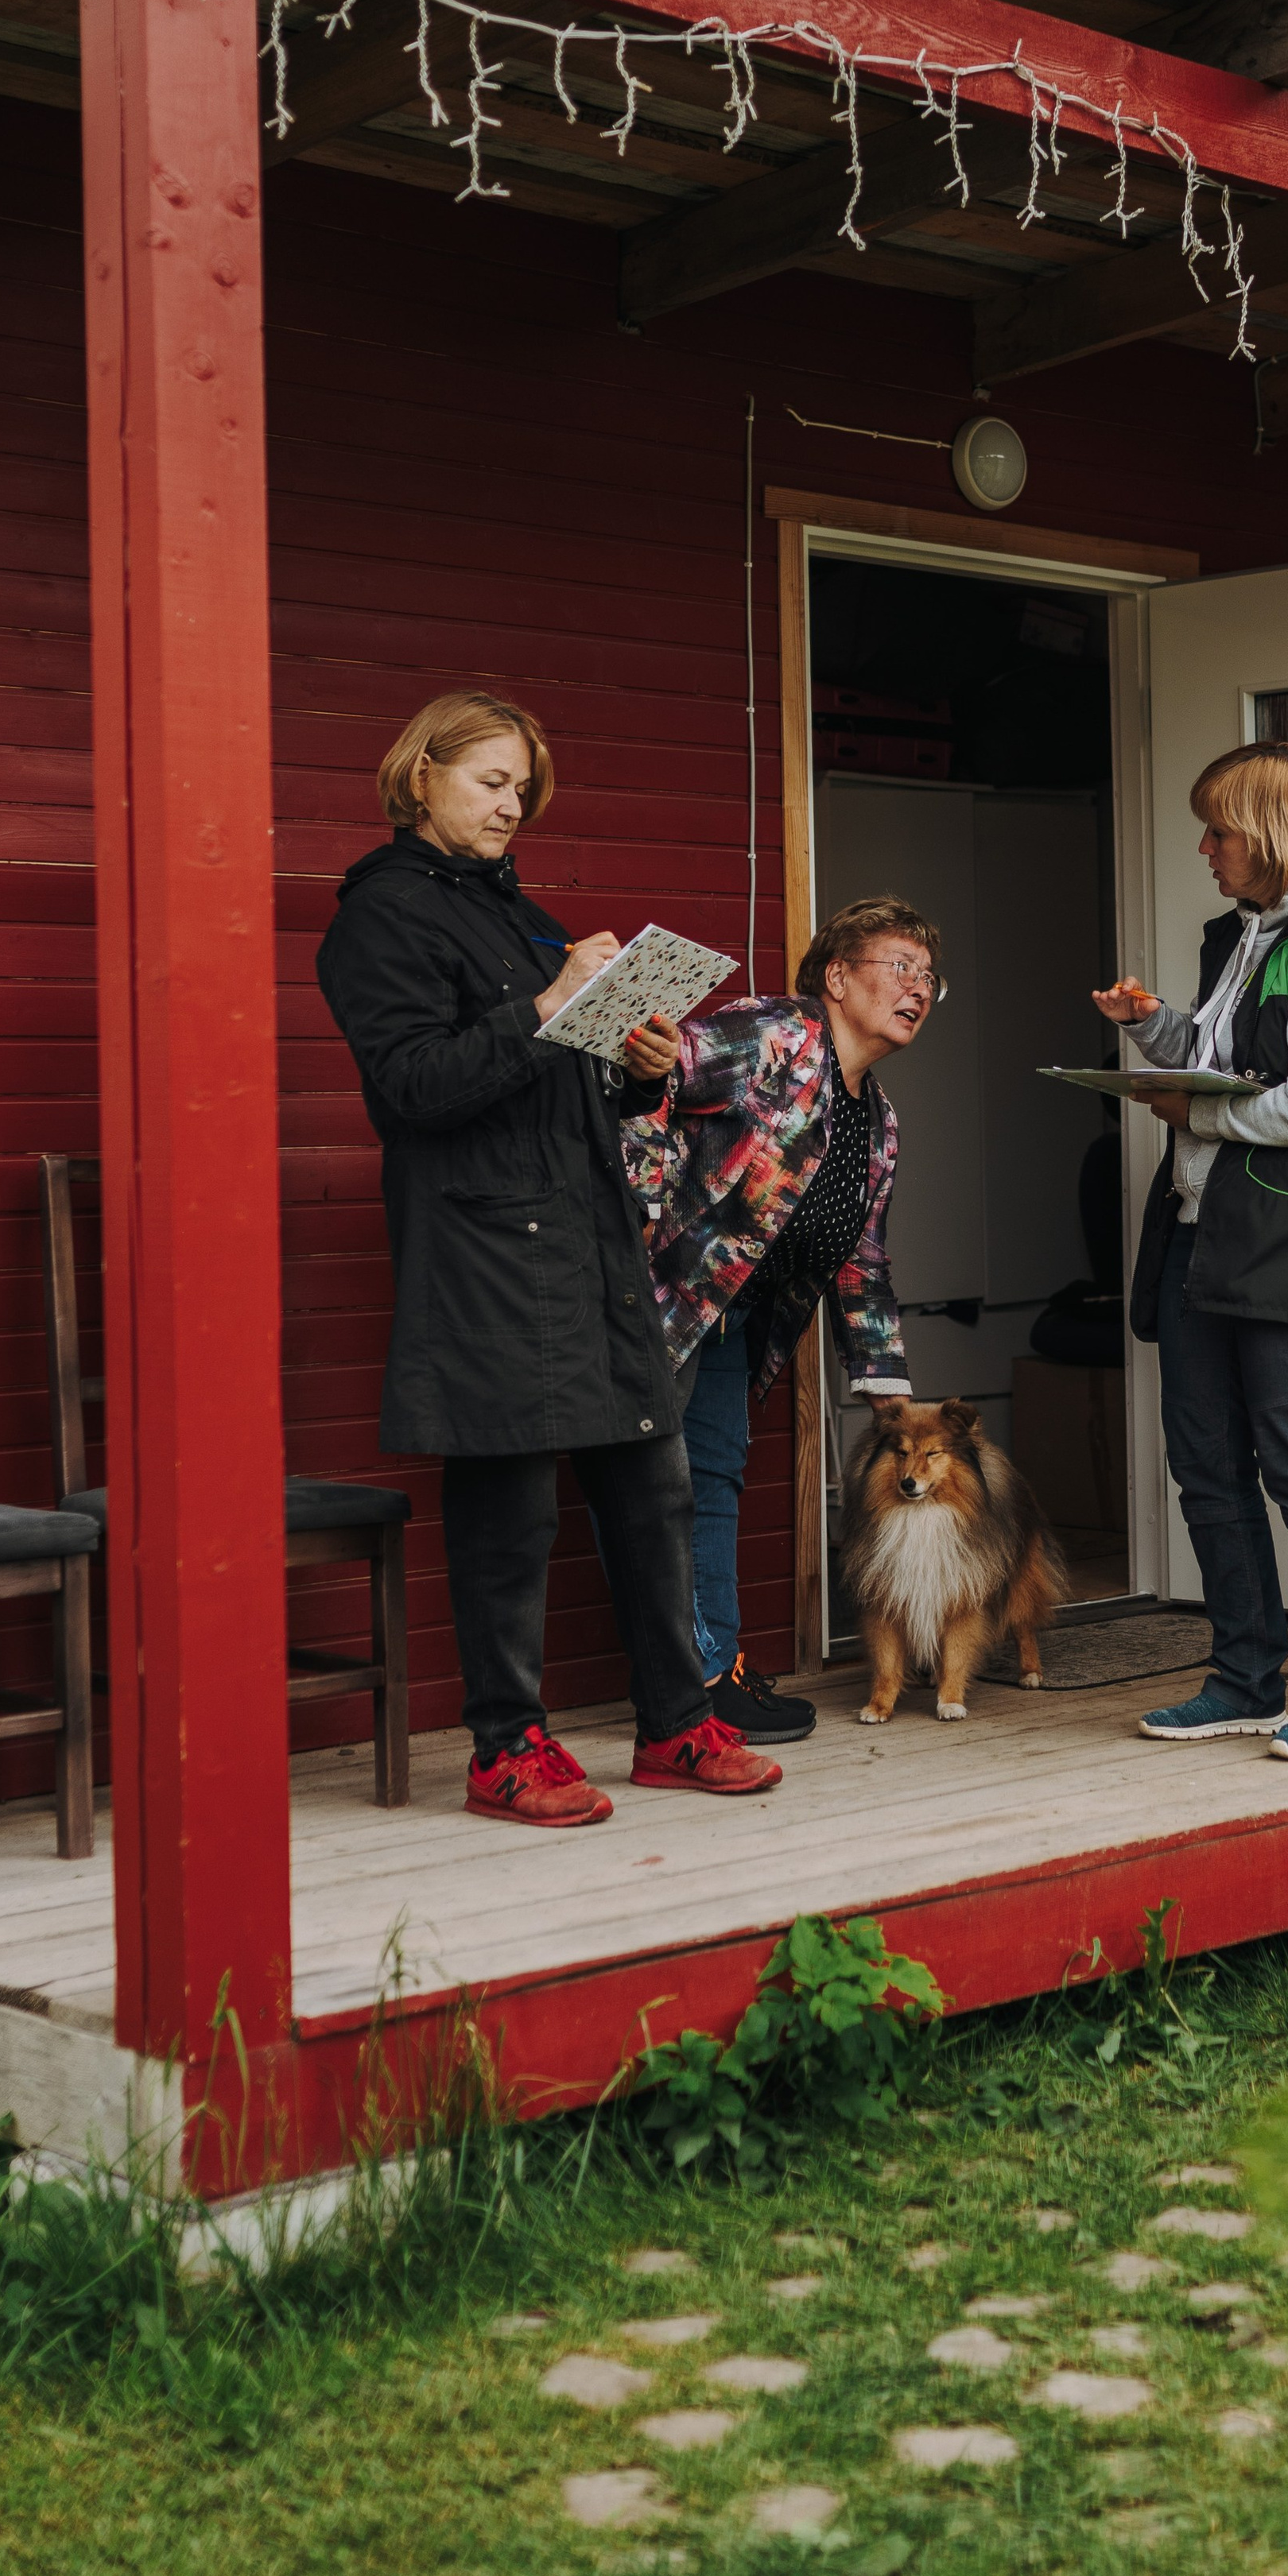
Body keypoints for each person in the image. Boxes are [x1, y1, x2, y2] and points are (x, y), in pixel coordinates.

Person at [316, 689, 781, 1825]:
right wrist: (557, 998)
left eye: (521, 787)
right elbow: (415, 1087)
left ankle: (674, 1726)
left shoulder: (514, 913)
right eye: (489, 781)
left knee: (652, 1482)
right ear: (420, 775)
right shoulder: (381, 919)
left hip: (588, 1234)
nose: (510, 804)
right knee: (509, 1502)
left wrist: (634, 1059)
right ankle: (505, 1746)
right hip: (481, 1243)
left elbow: (555, 1073)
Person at [1096, 740, 1288, 1762]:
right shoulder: (1247, 935)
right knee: (1208, 1469)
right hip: (1203, 1236)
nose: (1204, 848)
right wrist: (1156, 1029)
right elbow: (1230, 1065)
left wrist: (1197, 1115)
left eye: (1217, 830)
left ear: (1267, 833)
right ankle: (1243, 1678)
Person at [634, 897, 938, 1739]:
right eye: (900, 966)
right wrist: (643, 1202)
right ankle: (690, 1681)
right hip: (666, 1299)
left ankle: (710, 1668)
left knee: (714, 1478)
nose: (918, 987)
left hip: (737, 1316)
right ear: (837, 977)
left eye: (928, 977)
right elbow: (648, 1069)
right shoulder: (769, 1033)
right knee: (664, 1486)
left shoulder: (876, 1121)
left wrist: (885, 1384)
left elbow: (860, 1258)